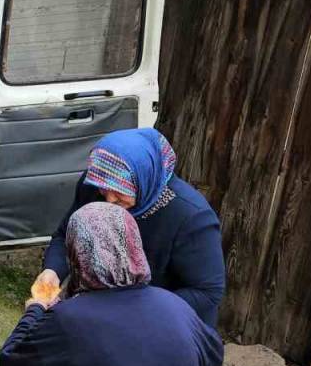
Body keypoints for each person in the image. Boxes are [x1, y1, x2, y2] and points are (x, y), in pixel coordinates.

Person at [1, 202, 224, 366]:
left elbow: (13, 362)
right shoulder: (176, 307)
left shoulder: (71, 321)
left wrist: (36, 309)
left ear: (77, 255)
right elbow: (212, 355)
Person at [36, 127, 225, 327]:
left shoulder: (191, 217)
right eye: (103, 189)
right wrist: (52, 271)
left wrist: (134, 309)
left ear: (143, 180)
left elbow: (207, 293)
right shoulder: (94, 184)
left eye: (120, 191)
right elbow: (65, 236)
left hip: (171, 327)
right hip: (105, 314)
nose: (109, 200)